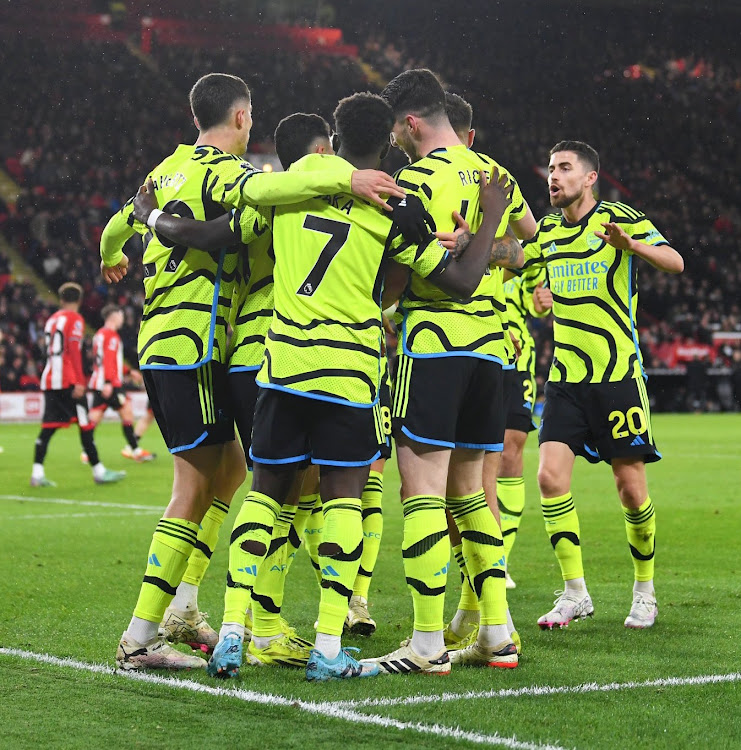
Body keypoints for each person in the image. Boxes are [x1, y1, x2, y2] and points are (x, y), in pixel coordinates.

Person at [138, 90, 512, 682]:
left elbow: (227, 223)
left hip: (281, 365)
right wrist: (483, 223)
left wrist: (151, 217)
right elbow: (458, 280)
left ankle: (236, 629)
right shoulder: (396, 206)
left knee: (263, 493)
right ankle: (329, 645)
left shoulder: (295, 183)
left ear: (331, 142)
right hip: (351, 371)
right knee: (343, 500)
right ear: (386, 144)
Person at [104, 73, 403, 672]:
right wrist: (348, 175)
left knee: (234, 475)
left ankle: (189, 606)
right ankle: (166, 635)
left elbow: (118, 225)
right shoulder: (235, 178)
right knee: (239, 487)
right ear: (241, 118)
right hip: (208, 342)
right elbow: (260, 205)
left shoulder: (164, 171)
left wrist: (119, 249)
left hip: (166, 336)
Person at [362, 69, 536, 675]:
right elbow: (527, 246)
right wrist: (484, 246)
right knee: (470, 495)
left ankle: (428, 643)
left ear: (411, 123)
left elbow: (401, 274)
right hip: (492, 351)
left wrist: (450, 254)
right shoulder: (496, 173)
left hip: (432, 348)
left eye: (397, 130)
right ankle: (497, 634)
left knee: (422, 495)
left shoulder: (409, 182)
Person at [522, 140, 683, 630]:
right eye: (551, 168)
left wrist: (631, 246)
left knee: (631, 489)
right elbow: (530, 279)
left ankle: (645, 591)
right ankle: (575, 593)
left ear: (590, 177)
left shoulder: (619, 218)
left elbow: (675, 261)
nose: (554, 176)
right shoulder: (547, 230)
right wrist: (537, 300)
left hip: (617, 376)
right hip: (567, 378)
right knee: (549, 478)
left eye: (564, 168)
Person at [31, 282, 126, 487]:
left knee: (48, 428)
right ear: (80, 300)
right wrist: (78, 381)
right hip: (68, 381)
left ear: (61, 299)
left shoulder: (51, 320)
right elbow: (73, 350)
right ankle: (99, 471)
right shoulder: (74, 319)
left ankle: (36, 474)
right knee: (85, 425)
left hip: (50, 380)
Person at [83, 304, 156, 463]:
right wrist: (108, 382)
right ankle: (135, 449)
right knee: (126, 412)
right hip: (109, 383)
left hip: (100, 382)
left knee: (95, 417)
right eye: (121, 315)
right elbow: (108, 361)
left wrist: (129, 372)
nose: (122, 319)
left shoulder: (102, 335)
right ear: (114, 316)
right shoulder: (109, 336)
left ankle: (86, 451)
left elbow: (110, 362)